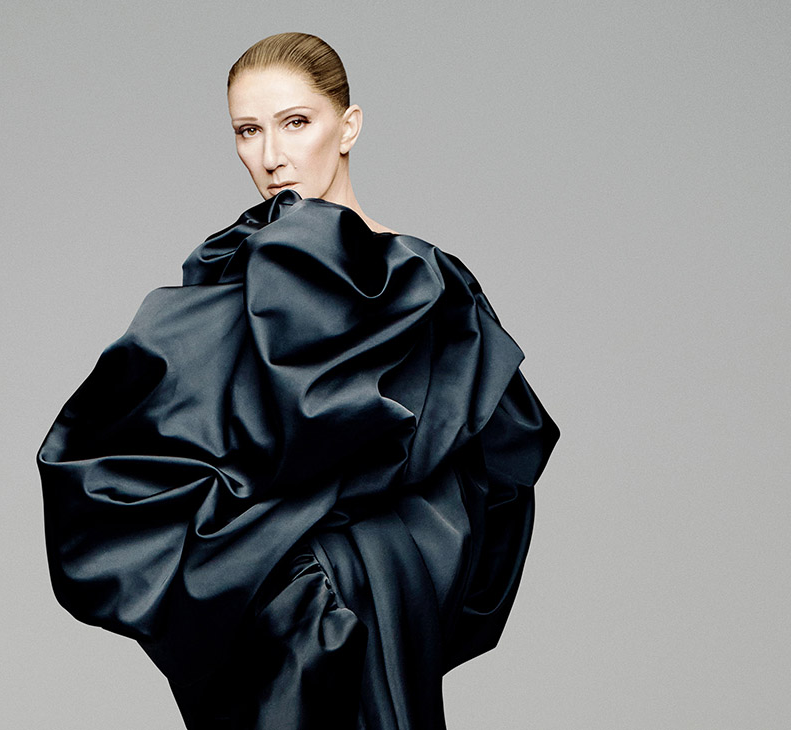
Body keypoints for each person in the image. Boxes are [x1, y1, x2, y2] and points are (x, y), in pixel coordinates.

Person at [37, 32, 559, 730]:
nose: (271, 156)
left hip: (361, 606)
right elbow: (119, 463)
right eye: (247, 131)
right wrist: (284, 566)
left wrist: (376, 560)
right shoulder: (239, 283)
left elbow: (498, 467)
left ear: (349, 126)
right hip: (300, 617)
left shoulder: (429, 287)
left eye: (295, 122)